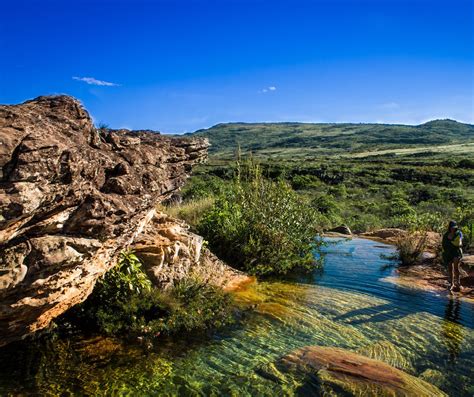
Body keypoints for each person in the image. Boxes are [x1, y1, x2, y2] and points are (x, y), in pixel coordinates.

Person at [442, 220, 463, 292]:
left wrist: (458, 243)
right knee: (450, 268)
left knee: (456, 268)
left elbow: (460, 241)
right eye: (452, 227)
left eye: (454, 227)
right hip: (449, 252)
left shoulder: (458, 233)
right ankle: (452, 283)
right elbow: (444, 244)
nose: (453, 228)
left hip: (456, 252)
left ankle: (458, 283)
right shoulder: (446, 235)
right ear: (450, 227)